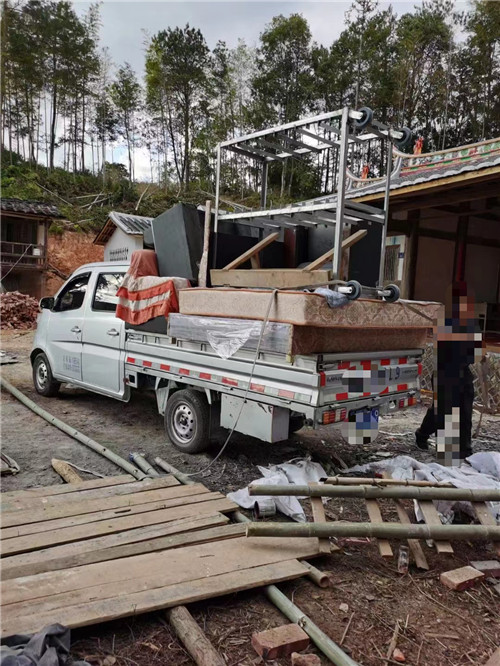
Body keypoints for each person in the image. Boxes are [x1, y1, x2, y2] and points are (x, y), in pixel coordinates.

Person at [415, 282, 483, 465]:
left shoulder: (471, 323)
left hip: (462, 372)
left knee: (465, 411)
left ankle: (465, 449)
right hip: (445, 372)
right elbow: (446, 350)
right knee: (444, 413)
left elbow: (475, 353)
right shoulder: (444, 321)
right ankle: (429, 438)